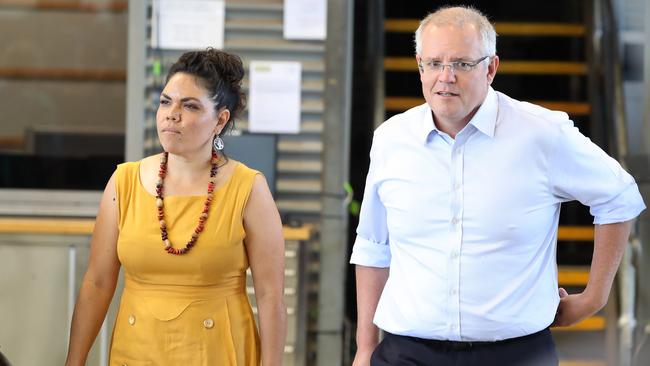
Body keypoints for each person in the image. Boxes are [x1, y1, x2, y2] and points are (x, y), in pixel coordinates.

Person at [351, 6, 645, 366]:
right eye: (434, 63)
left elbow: (619, 197)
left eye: (461, 64)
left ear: (490, 68)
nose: (445, 77)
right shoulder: (391, 139)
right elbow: (373, 246)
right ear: (419, 65)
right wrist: (365, 348)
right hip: (406, 352)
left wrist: (594, 297)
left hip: (515, 354)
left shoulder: (541, 134)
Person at [65, 48, 286, 366]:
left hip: (219, 353)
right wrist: (75, 360)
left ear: (220, 120)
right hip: (137, 352)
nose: (171, 114)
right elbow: (97, 282)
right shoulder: (124, 181)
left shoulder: (249, 187)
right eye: (166, 102)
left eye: (190, 105)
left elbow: (271, 295)